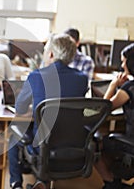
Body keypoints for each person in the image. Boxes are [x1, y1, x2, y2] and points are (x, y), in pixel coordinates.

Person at [8, 33, 88, 189]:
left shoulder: (36, 76)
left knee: (13, 138)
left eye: (45, 51)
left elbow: (19, 108)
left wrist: (36, 107)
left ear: (51, 54)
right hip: (74, 145)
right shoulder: (82, 78)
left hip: (43, 145)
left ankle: (16, 184)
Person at [95, 43, 134, 189]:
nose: (122, 65)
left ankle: (111, 182)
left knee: (97, 143)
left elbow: (103, 109)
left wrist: (113, 85)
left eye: (124, 61)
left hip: (132, 143)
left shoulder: (129, 88)